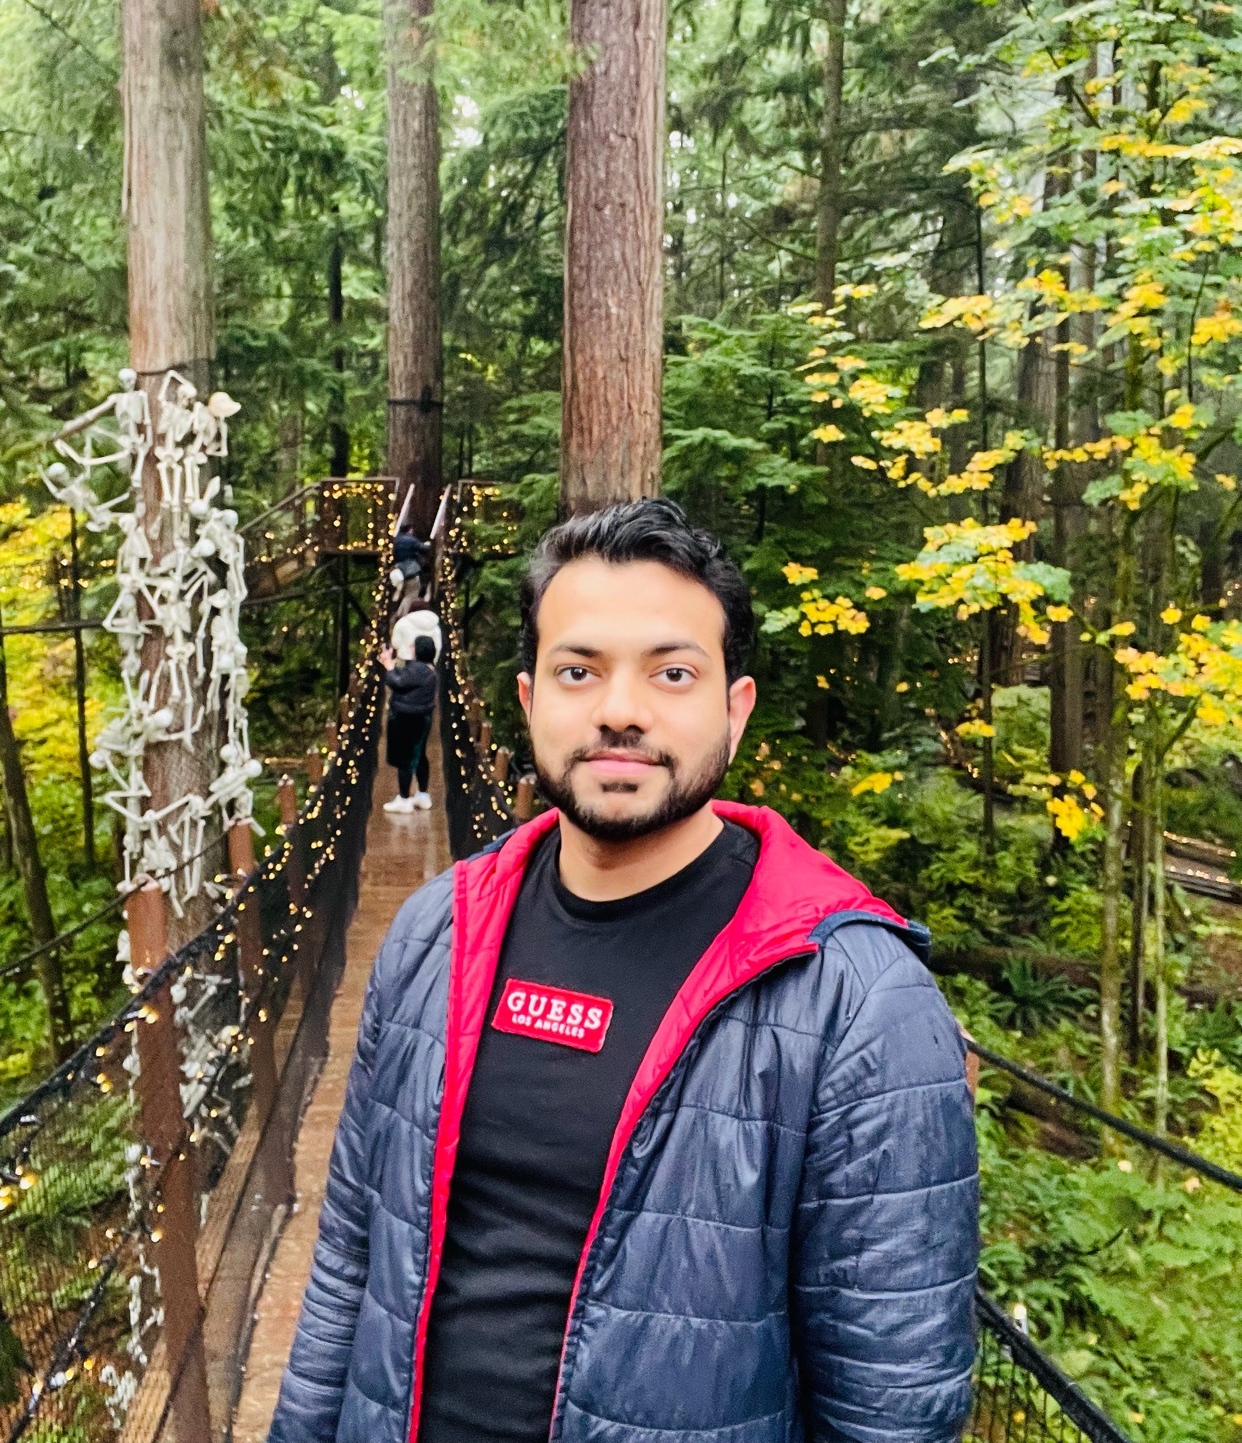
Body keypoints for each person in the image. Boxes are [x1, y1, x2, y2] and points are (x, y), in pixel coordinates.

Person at [269, 498, 978, 1443]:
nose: (619, 711)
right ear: (529, 702)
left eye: (672, 672)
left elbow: (893, 1404)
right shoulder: (434, 931)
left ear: (735, 710)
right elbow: (350, 1261)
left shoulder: (859, 1004)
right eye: (578, 671)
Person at [381, 632, 437, 813]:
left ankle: (404, 799)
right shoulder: (429, 669)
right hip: (422, 718)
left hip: (406, 718)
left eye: (413, 646)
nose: (411, 649)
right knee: (419, 755)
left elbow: (396, 681)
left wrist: (388, 666)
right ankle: (422, 795)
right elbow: (405, 677)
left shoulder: (418, 669)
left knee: (405, 758)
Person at [390, 598, 442, 663]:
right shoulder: (434, 626)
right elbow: (438, 646)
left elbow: (395, 643)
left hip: (405, 661)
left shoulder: (402, 623)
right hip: (428, 662)